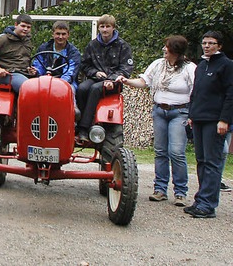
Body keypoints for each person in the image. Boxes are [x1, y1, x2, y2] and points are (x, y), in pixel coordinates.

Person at [117, 35, 196, 207]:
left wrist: (192, 115)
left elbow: (195, 91)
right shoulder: (158, 64)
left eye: (167, 47)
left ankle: (180, 192)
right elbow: (144, 82)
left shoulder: (190, 69)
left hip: (179, 112)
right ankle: (160, 190)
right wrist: (126, 81)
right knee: (160, 151)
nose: (164, 50)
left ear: (175, 50)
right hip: (159, 110)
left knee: (176, 152)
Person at [183, 30, 233, 219]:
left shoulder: (227, 66)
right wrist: (192, 114)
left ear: (219, 45)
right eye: (204, 43)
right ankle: (200, 200)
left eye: (211, 43)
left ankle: (208, 204)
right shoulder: (202, 65)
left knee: (212, 162)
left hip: (215, 120)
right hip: (199, 119)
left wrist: (225, 119)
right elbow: (196, 92)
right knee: (201, 161)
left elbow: (230, 94)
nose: (207, 46)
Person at [76, 14, 133, 142]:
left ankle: (84, 128)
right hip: (96, 78)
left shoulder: (123, 46)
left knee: (95, 89)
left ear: (113, 28)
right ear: (99, 29)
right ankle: (78, 121)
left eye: (108, 26)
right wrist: (95, 73)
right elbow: (85, 65)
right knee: (81, 88)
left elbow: (126, 68)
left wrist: (112, 79)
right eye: (102, 26)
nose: (105, 30)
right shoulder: (93, 45)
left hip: (114, 82)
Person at [0, 13, 37, 93]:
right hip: (8, 74)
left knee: (44, 86)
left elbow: (23, 60)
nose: (25, 29)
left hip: (24, 74)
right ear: (16, 25)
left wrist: (30, 69)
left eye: (28, 27)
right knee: (28, 88)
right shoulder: (2, 39)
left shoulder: (27, 41)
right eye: (23, 26)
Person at [31, 20, 81, 91]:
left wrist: (58, 84)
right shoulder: (44, 48)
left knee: (70, 90)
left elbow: (70, 73)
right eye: (58, 34)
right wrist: (35, 71)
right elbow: (38, 65)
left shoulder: (73, 53)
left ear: (68, 35)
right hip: (44, 81)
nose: (60, 37)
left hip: (65, 82)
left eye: (63, 34)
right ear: (53, 34)